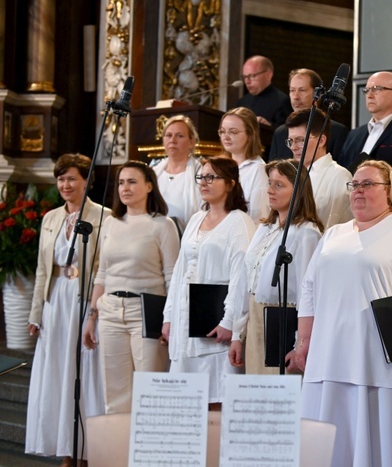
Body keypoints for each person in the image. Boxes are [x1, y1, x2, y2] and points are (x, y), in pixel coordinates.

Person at [294, 160, 392, 467]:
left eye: (367, 184)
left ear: (390, 191)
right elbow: (309, 289)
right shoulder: (334, 233)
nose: (358, 191)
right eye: (354, 185)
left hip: (384, 358)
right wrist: (304, 342)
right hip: (330, 356)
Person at [25, 154, 109, 467]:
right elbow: (42, 269)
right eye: (60, 179)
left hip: (84, 299)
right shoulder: (50, 218)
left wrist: (95, 309)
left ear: (86, 180)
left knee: (81, 375)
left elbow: (104, 267)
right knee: (57, 375)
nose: (65, 185)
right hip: (54, 299)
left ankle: (86, 454)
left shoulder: (104, 217)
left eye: (71, 178)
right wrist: (36, 313)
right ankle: (65, 454)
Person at [83, 161, 180, 414]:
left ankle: (149, 452)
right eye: (121, 182)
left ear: (149, 186)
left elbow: (173, 277)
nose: (125, 188)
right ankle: (118, 452)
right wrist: (91, 317)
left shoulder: (163, 225)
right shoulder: (111, 223)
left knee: (150, 391)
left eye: (132, 181)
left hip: (146, 311)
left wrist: (170, 319)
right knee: (115, 395)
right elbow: (102, 274)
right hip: (111, 312)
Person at [162, 157, 256, 406]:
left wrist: (229, 321)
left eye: (211, 177)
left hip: (216, 322)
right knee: (185, 401)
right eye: (201, 177)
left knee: (215, 399)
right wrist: (169, 315)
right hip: (185, 319)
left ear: (230, 183)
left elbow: (241, 277)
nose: (203, 182)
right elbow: (179, 271)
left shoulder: (239, 222)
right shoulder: (195, 219)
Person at [228, 159, 323, 374]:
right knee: (257, 392)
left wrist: (300, 343)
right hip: (256, 320)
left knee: (279, 392)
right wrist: (237, 334)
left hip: (283, 323)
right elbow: (245, 283)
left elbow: (307, 293)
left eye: (279, 185)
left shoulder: (306, 233)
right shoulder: (264, 228)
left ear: (298, 189)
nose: (270, 190)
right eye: (270, 183)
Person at [337, 71, 392, 172]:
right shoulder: (354, 135)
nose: (369, 95)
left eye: (376, 89)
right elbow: (341, 173)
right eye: (366, 90)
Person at [286, 108, 353, 229]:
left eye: (300, 140)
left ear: (321, 141)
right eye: (291, 141)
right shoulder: (292, 175)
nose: (293, 147)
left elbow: (332, 226)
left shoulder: (339, 176)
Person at [268, 68, 350, 161]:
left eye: (302, 90)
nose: (296, 97)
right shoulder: (280, 133)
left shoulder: (337, 131)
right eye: (292, 90)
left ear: (318, 94)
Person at [218, 107, 270, 223]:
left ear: (250, 134)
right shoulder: (219, 168)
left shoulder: (258, 170)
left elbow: (260, 218)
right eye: (222, 131)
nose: (226, 137)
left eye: (233, 132)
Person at [152, 115, 203, 231]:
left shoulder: (201, 174)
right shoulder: (153, 174)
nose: (172, 140)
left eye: (179, 136)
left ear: (191, 142)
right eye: (168, 135)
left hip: (187, 236)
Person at [237, 55, 293, 129]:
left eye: (252, 76)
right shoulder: (242, 102)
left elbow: (287, 132)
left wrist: (269, 126)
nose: (247, 81)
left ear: (268, 75)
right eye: (245, 77)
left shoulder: (282, 101)